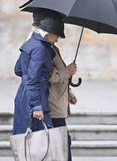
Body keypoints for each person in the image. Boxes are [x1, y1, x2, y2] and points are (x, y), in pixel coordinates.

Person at [13, 17, 64, 135]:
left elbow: (18, 69)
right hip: (36, 97)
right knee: (40, 140)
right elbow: (33, 80)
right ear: (49, 33)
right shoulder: (41, 49)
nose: (56, 40)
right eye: (57, 36)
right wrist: (36, 106)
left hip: (23, 95)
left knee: (24, 139)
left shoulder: (30, 43)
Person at [48, 19, 78, 161]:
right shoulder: (45, 50)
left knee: (64, 142)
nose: (58, 39)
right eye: (57, 35)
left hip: (59, 101)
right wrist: (68, 71)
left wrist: (69, 93)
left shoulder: (53, 49)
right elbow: (49, 76)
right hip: (53, 105)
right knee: (61, 143)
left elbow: (60, 74)